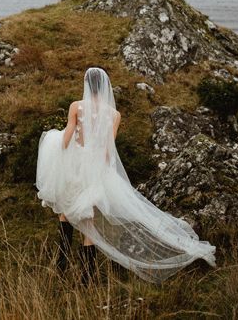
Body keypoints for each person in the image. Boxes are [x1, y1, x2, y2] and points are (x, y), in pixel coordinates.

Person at [35, 67, 216, 283]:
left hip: (76, 166)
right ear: (104, 86)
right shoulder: (114, 115)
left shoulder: (76, 106)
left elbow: (66, 139)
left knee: (66, 212)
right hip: (96, 169)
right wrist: (100, 172)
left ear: (86, 84)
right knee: (89, 222)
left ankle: (61, 265)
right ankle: (87, 275)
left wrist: (57, 152)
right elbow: (107, 150)